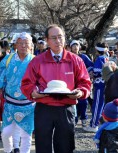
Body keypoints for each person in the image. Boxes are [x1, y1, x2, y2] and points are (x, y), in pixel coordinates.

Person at [21, 24, 91, 153]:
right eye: (53, 38)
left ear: (65, 38)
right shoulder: (38, 61)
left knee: (65, 147)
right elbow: (26, 83)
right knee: (43, 146)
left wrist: (80, 92)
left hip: (66, 108)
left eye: (60, 37)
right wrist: (33, 93)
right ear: (47, 40)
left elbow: (85, 82)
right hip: (44, 108)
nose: (58, 41)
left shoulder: (75, 60)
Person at [0, 32, 36, 153]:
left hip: (28, 104)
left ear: (31, 45)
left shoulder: (35, 61)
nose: (23, 46)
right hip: (10, 104)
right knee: (6, 133)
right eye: (20, 43)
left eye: (26, 43)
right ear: (15, 45)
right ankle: (8, 151)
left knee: (26, 135)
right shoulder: (8, 59)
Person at [83, 42, 109, 133]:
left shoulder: (99, 59)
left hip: (99, 84)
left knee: (97, 105)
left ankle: (93, 125)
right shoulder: (106, 57)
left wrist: (90, 71)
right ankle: (99, 123)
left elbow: (97, 72)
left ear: (97, 50)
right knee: (101, 105)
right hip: (105, 84)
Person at [70, 40, 93, 127]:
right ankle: (74, 120)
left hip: (81, 82)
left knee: (83, 101)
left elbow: (91, 66)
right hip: (71, 82)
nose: (75, 47)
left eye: (77, 45)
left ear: (79, 47)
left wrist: (86, 72)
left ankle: (83, 118)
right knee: (73, 102)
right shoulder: (69, 56)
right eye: (73, 45)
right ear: (71, 47)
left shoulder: (84, 56)